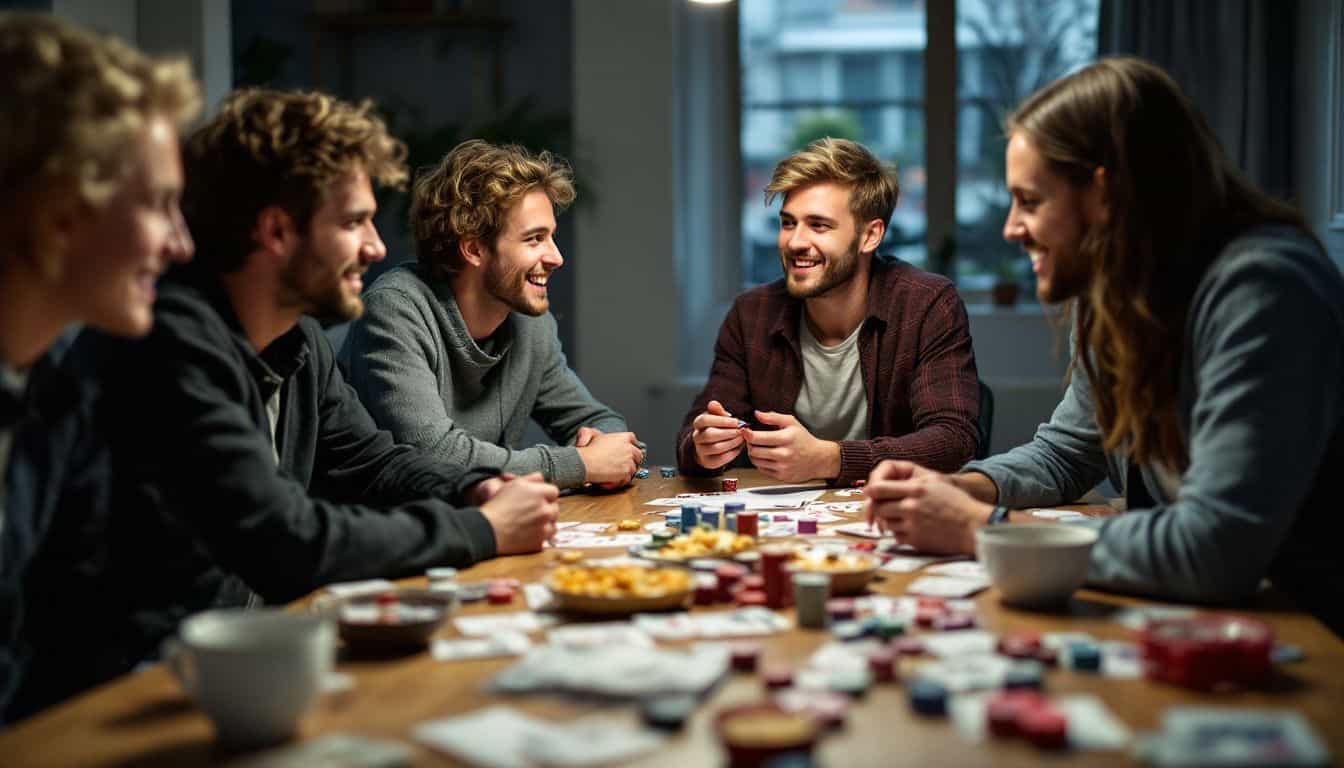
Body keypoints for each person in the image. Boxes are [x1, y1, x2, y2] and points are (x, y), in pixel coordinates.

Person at [15, 89, 559, 718]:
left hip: (237, 668)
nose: (378, 247)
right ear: (276, 230)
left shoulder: (295, 337)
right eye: (354, 222)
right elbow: (286, 541)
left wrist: (476, 487)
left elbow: (373, 463)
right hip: (121, 699)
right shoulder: (168, 340)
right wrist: (482, 530)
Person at [864, 58, 1344, 634]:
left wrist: (979, 527)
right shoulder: (1117, 288)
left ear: (1104, 194)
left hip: (1306, 630)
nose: (1010, 228)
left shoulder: (1264, 288)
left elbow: (1215, 548)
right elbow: (1065, 453)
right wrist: (955, 487)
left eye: (1031, 201)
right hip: (1200, 616)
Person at [0, 13, 199, 721]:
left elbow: (78, 630)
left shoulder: (59, 390)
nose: (180, 245)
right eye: (158, 205)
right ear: (60, 214)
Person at [676, 138, 980, 485]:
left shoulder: (926, 303)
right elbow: (691, 437)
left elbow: (954, 440)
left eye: (818, 226)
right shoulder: (752, 313)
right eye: (788, 223)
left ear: (870, 236)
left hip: (891, 515)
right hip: (784, 524)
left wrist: (830, 459)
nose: (794, 242)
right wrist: (703, 447)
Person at [343, 139, 642, 491]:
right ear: (473, 248)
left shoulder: (530, 322)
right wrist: (579, 463)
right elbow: (431, 455)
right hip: (396, 535)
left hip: (483, 526)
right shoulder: (395, 309)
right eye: (535, 239)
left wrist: (607, 448)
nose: (557, 257)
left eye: (552, 238)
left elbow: (599, 419)